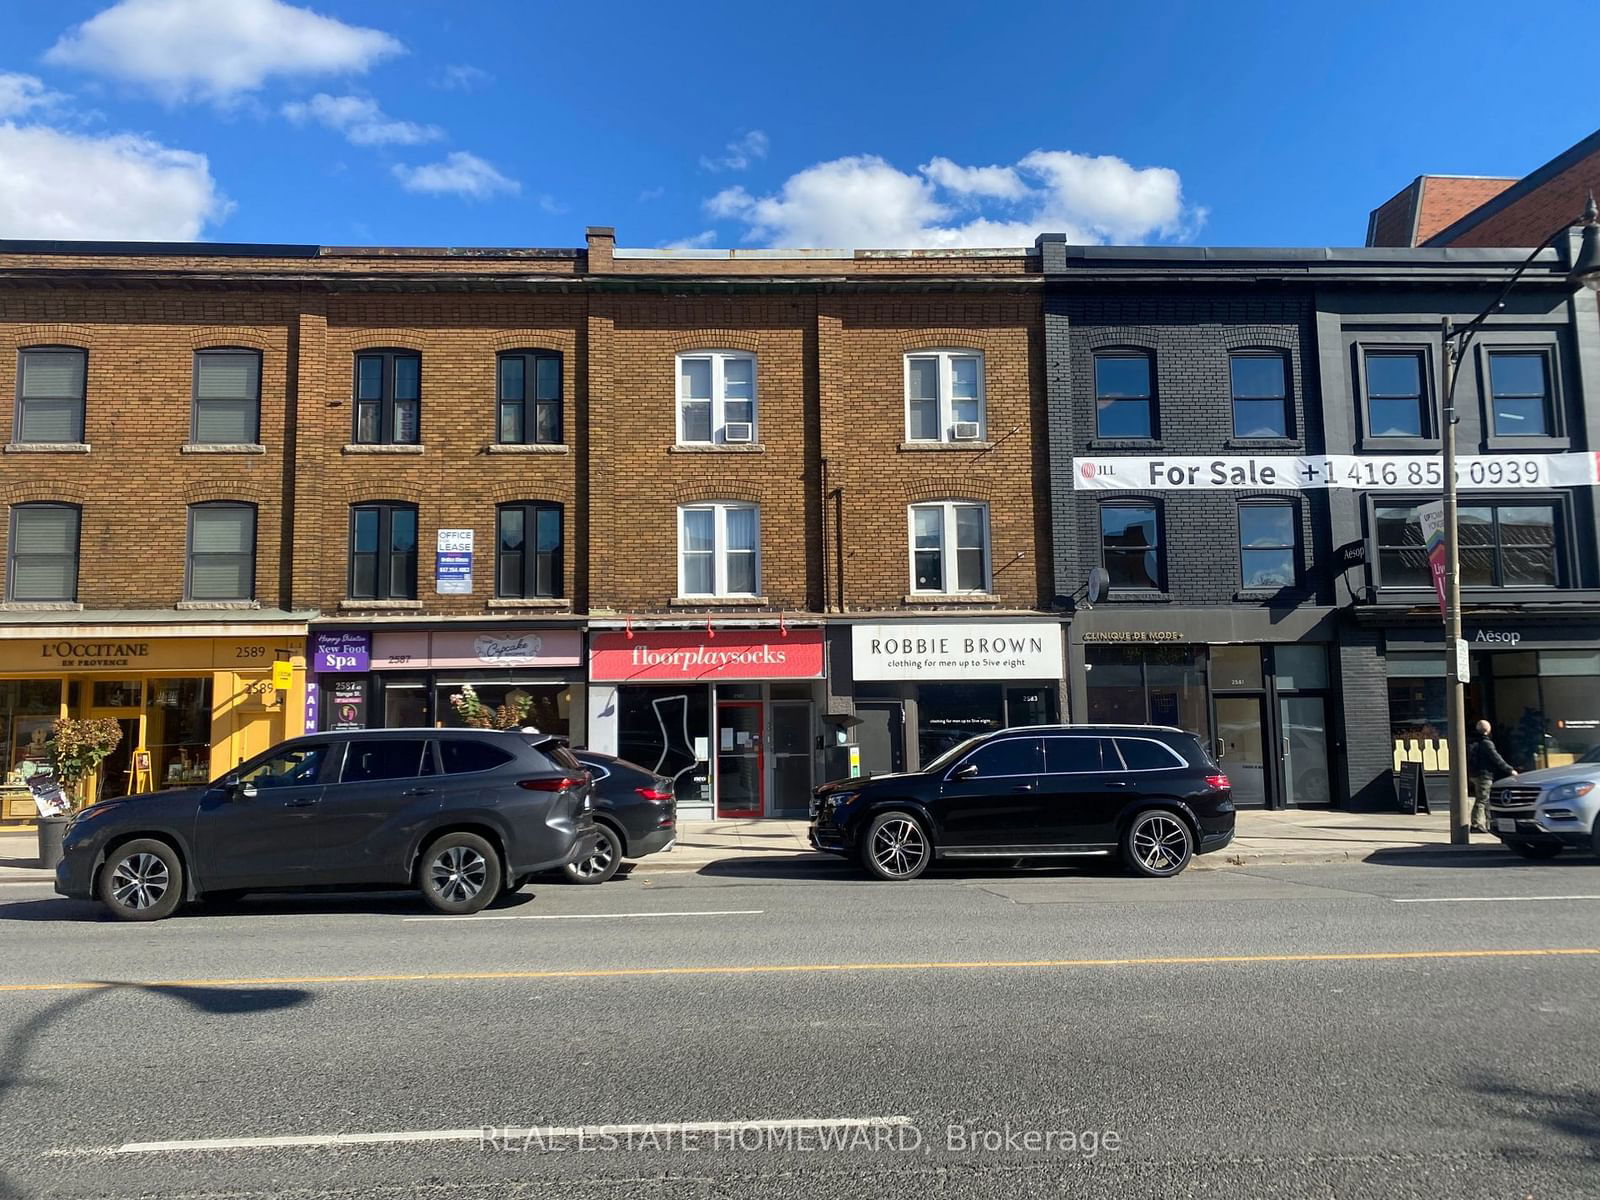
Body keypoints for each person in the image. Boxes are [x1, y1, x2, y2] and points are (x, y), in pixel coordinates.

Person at [1468, 719, 1517, 833]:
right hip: (1484, 774)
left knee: (1485, 799)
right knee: (1482, 799)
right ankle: (1476, 824)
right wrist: (1510, 770)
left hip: (1474, 773)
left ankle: (1489, 823)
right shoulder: (1486, 743)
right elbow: (1496, 758)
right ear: (1488, 730)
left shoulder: (1474, 741)